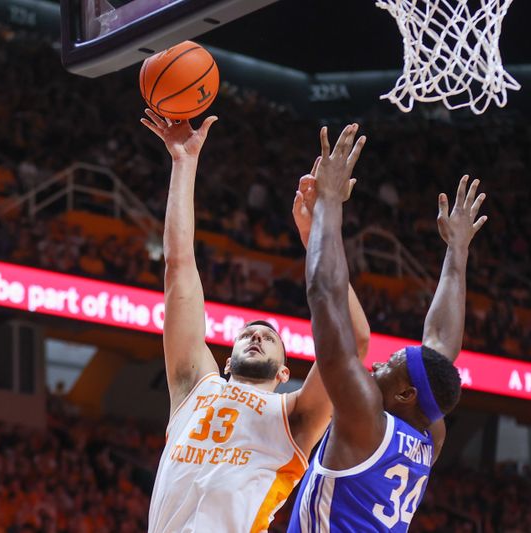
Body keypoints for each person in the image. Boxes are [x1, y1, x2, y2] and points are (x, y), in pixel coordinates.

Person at [139, 109, 370, 533]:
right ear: (225, 362)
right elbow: (179, 268)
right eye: (248, 333)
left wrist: (318, 233)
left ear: (285, 371)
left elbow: (353, 341)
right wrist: (183, 162)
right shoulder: (195, 386)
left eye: (268, 336)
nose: (256, 335)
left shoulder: (295, 414)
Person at [288, 124, 486, 532]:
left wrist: (329, 201)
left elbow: (324, 294)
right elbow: (439, 350)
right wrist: (457, 252)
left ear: (405, 393)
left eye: (387, 367)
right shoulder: (429, 434)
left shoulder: (365, 420)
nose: (375, 367)